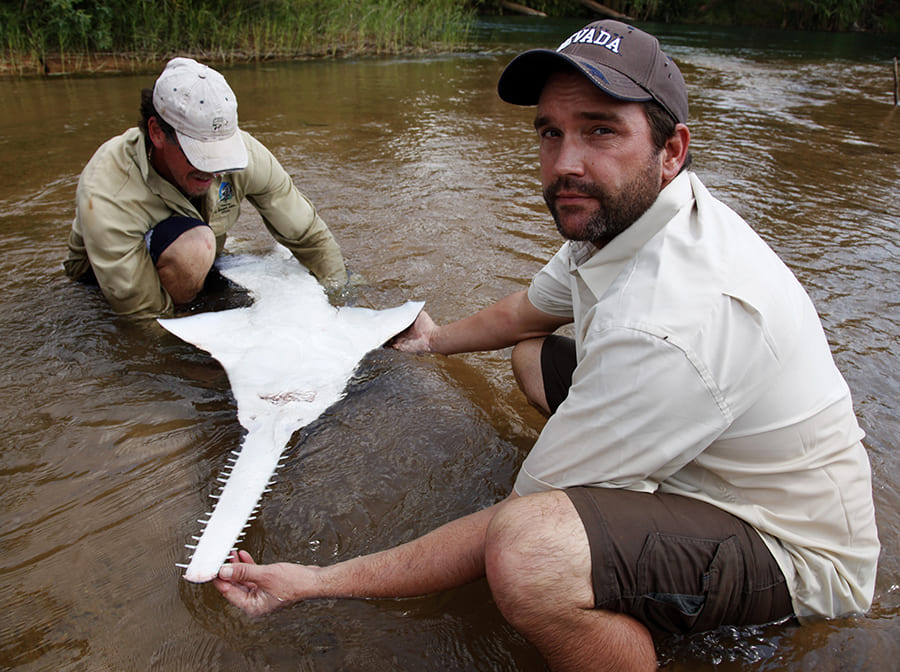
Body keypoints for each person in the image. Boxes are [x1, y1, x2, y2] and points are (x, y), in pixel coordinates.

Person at [212, 21, 879, 671]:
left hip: (791, 554)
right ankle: (607, 478)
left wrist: (318, 581)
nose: (565, 164)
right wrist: (431, 341)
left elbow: (508, 526)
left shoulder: (676, 320)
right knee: (530, 353)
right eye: (550, 133)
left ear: (671, 149)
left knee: (528, 552)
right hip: (702, 449)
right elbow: (528, 311)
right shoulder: (619, 216)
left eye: (600, 130)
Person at [64, 57, 348, 318]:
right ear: (156, 133)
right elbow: (142, 313)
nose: (215, 169)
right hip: (104, 278)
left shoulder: (249, 155)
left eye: (222, 152)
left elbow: (308, 235)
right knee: (195, 247)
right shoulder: (108, 187)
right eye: (200, 153)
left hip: (194, 258)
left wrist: (341, 297)